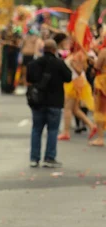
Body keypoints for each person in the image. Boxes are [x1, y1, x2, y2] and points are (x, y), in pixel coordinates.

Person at [26, 39, 72, 167]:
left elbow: (29, 78)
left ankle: (34, 159)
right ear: (54, 49)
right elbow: (68, 77)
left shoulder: (34, 64)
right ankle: (49, 158)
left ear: (43, 49)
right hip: (54, 102)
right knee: (52, 130)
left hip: (38, 102)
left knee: (36, 129)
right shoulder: (59, 63)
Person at [91, 44, 106, 146]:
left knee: (100, 109)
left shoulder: (104, 51)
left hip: (103, 82)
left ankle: (100, 138)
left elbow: (97, 66)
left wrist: (93, 63)